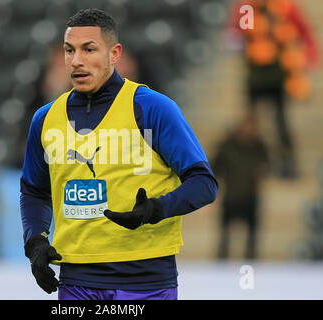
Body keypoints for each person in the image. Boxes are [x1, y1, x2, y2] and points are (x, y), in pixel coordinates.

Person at [20, 8, 218, 300]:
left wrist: (155, 210)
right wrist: (35, 241)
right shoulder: (45, 118)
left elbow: (204, 183)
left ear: (115, 54)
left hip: (147, 281)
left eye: (89, 50)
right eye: (69, 50)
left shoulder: (153, 109)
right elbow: (33, 191)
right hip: (76, 281)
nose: (76, 61)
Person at [226, 0, 318, 179]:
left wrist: (308, 57)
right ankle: (255, 163)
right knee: (253, 122)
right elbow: (237, 33)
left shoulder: (286, 6)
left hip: (279, 76)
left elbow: (303, 31)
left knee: (280, 121)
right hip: (256, 75)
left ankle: (288, 164)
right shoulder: (248, 8)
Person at [212, 114, 269, 260]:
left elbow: (267, 165)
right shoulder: (227, 146)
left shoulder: (259, 146)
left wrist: (263, 170)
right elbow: (214, 167)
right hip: (231, 195)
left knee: (252, 236)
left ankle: (251, 263)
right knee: (224, 235)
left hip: (251, 195)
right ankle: (221, 263)